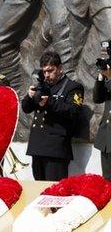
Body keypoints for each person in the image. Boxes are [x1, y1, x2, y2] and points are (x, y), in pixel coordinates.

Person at [21, 51, 84, 181]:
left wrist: (49, 102)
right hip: (37, 147)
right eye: (44, 72)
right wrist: (29, 96)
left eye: (50, 70)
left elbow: (74, 111)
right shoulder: (42, 86)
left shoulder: (73, 87)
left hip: (56, 149)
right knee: (39, 191)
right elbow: (26, 108)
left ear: (60, 68)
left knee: (54, 192)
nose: (47, 75)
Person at [93, 45, 111, 180]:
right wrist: (101, 78)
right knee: (107, 180)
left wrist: (109, 78)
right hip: (107, 137)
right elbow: (98, 98)